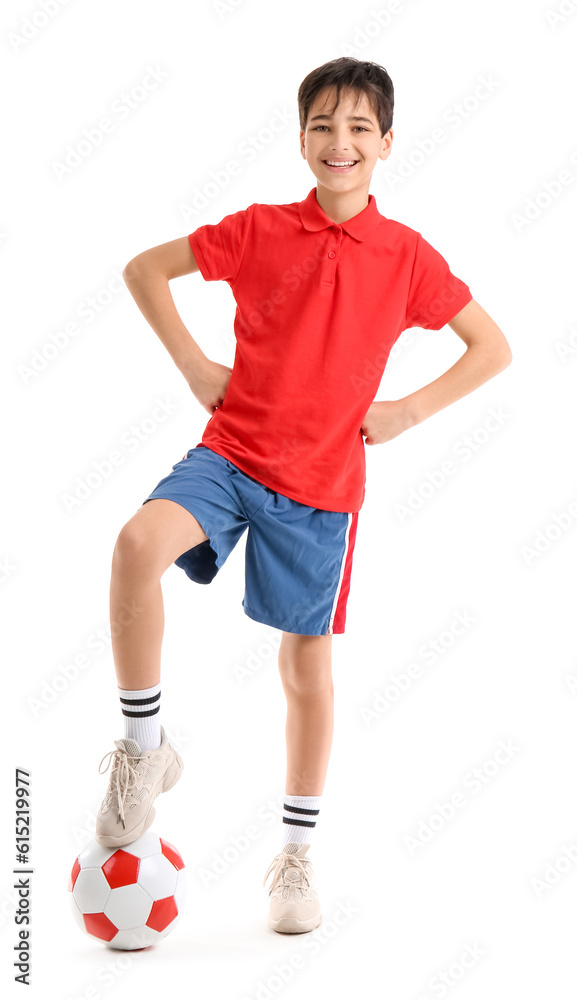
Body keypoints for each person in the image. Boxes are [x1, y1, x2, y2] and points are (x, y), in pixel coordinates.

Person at [94, 56, 512, 935]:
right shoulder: (257, 230)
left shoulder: (405, 257)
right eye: (323, 125)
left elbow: (491, 347)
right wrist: (197, 366)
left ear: (387, 143)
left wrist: (406, 410)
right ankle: (144, 750)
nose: (339, 142)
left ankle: (294, 855)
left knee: (303, 668)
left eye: (359, 127)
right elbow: (143, 270)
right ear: (300, 139)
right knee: (137, 545)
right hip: (232, 451)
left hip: (322, 485)